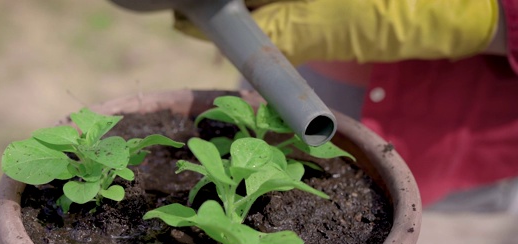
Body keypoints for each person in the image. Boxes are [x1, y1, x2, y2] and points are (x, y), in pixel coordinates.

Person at [176, 0, 518, 212]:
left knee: (432, 240)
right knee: (256, 159)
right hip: (295, 71)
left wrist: (474, 16)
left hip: (454, 132)